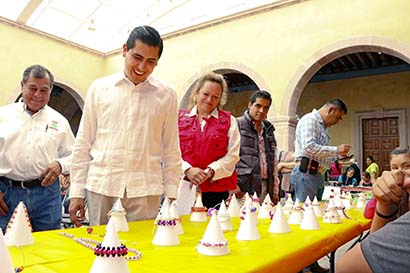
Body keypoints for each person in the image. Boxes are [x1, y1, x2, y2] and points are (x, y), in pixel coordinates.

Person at [69, 26, 182, 227]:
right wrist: (76, 191)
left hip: (145, 190)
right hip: (102, 185)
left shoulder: (167, 95)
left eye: (151, 62)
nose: (142, 67)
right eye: (137, 57)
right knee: (100, 250)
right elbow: (83, 142)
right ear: (124, 50)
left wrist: (172, 193)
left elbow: (171, 148)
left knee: (141, 252)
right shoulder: (100, 88)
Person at [0, 64, 75, 232]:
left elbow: (76, 155)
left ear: (50, 90)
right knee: (6, 250)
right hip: (6, 195)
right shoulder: (3, 116)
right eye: (32, 88)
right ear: (22, 85)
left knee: (49, 246)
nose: (37, 95)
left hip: (46, 196)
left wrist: (60, 165)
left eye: (44, 90)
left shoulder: (60, 121)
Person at [291, 98, 351, 273]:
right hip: (306, 174)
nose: (338, 122)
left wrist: (338, 158)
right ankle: (300, 265)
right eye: (338, 117)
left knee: (314, 218)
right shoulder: (310, 120)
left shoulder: (323, 127)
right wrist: (335, 150)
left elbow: (320, 152)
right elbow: (309, 148)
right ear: (331, 110)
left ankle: (311, 263)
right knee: (303, 218)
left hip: (317, 175)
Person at [336, 147, 410, 273]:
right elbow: (374, 240)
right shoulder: (386, 193)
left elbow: (348, 267)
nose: (399, 173)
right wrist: (383, 204)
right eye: (394, 168)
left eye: (407, 166)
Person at [178, 72, 240, 209]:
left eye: (215, 97)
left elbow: (233, 155)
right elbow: (169, 151)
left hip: (216, 191)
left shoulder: (230, 121)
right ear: (197, 93)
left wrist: (211, 171)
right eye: (205, 94)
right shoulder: (178, 119)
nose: (209, 100)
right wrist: (187, 169)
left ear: (220, 99)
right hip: (182, 188)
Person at [236, 90, 280, 204]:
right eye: (258, 106)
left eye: (266, 108)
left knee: (263, 220)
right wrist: (232, 185)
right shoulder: (237, 125)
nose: (262, 111)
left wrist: (275, 191)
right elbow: (227, 156)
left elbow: (274, 161)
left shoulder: (269, 129)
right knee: (242, 220)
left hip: (266, 187)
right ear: (250, 105)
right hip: (243, 187)